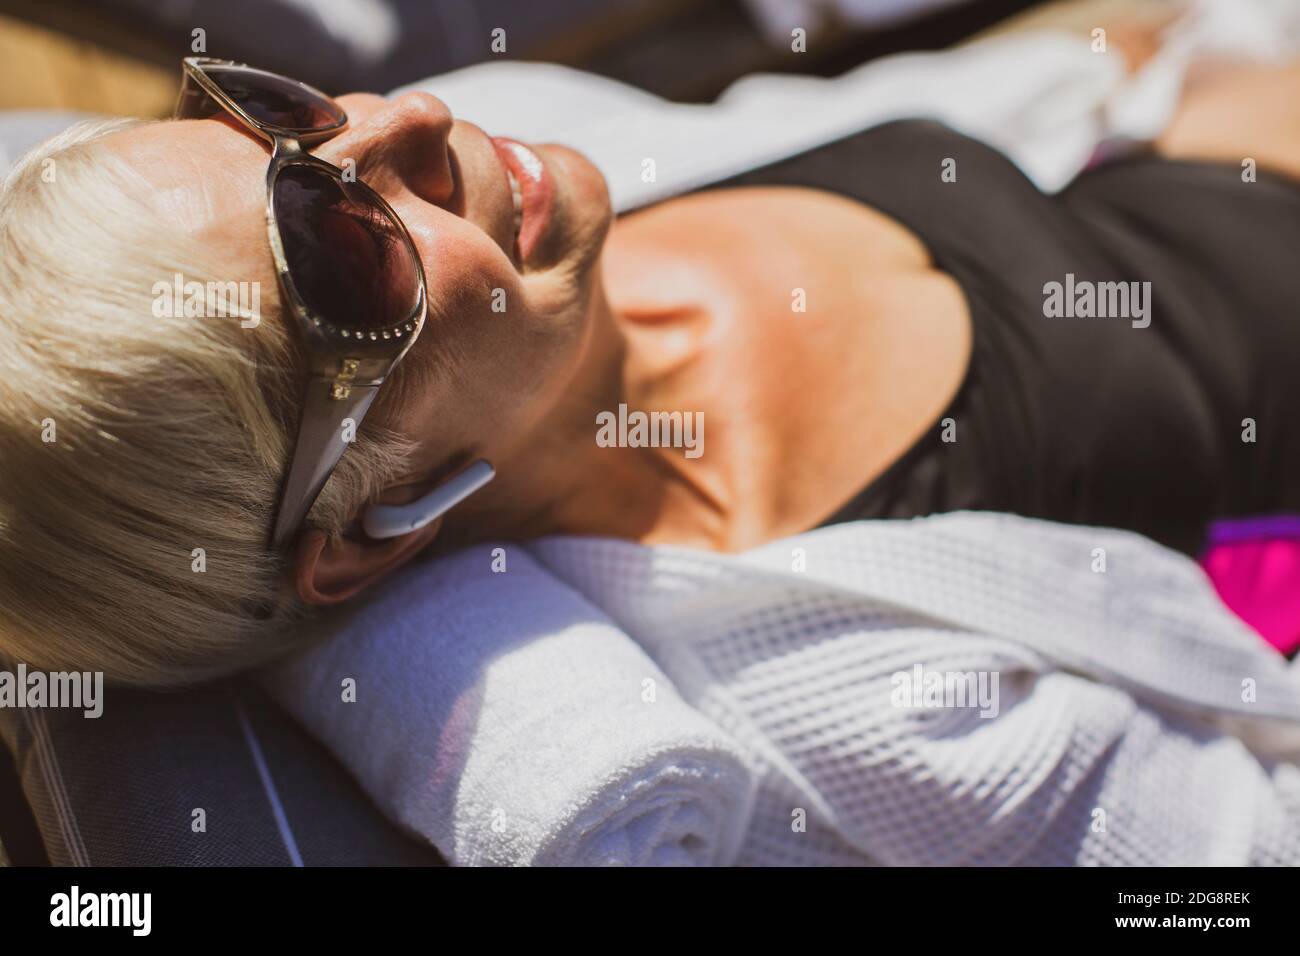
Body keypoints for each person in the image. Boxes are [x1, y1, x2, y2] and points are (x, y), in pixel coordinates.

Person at [1, 40, 1298, 687]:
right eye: (338, 247)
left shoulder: (550, 203)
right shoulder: (850, 642)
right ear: (357, 533)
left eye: (272, 111)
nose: (409, 117)